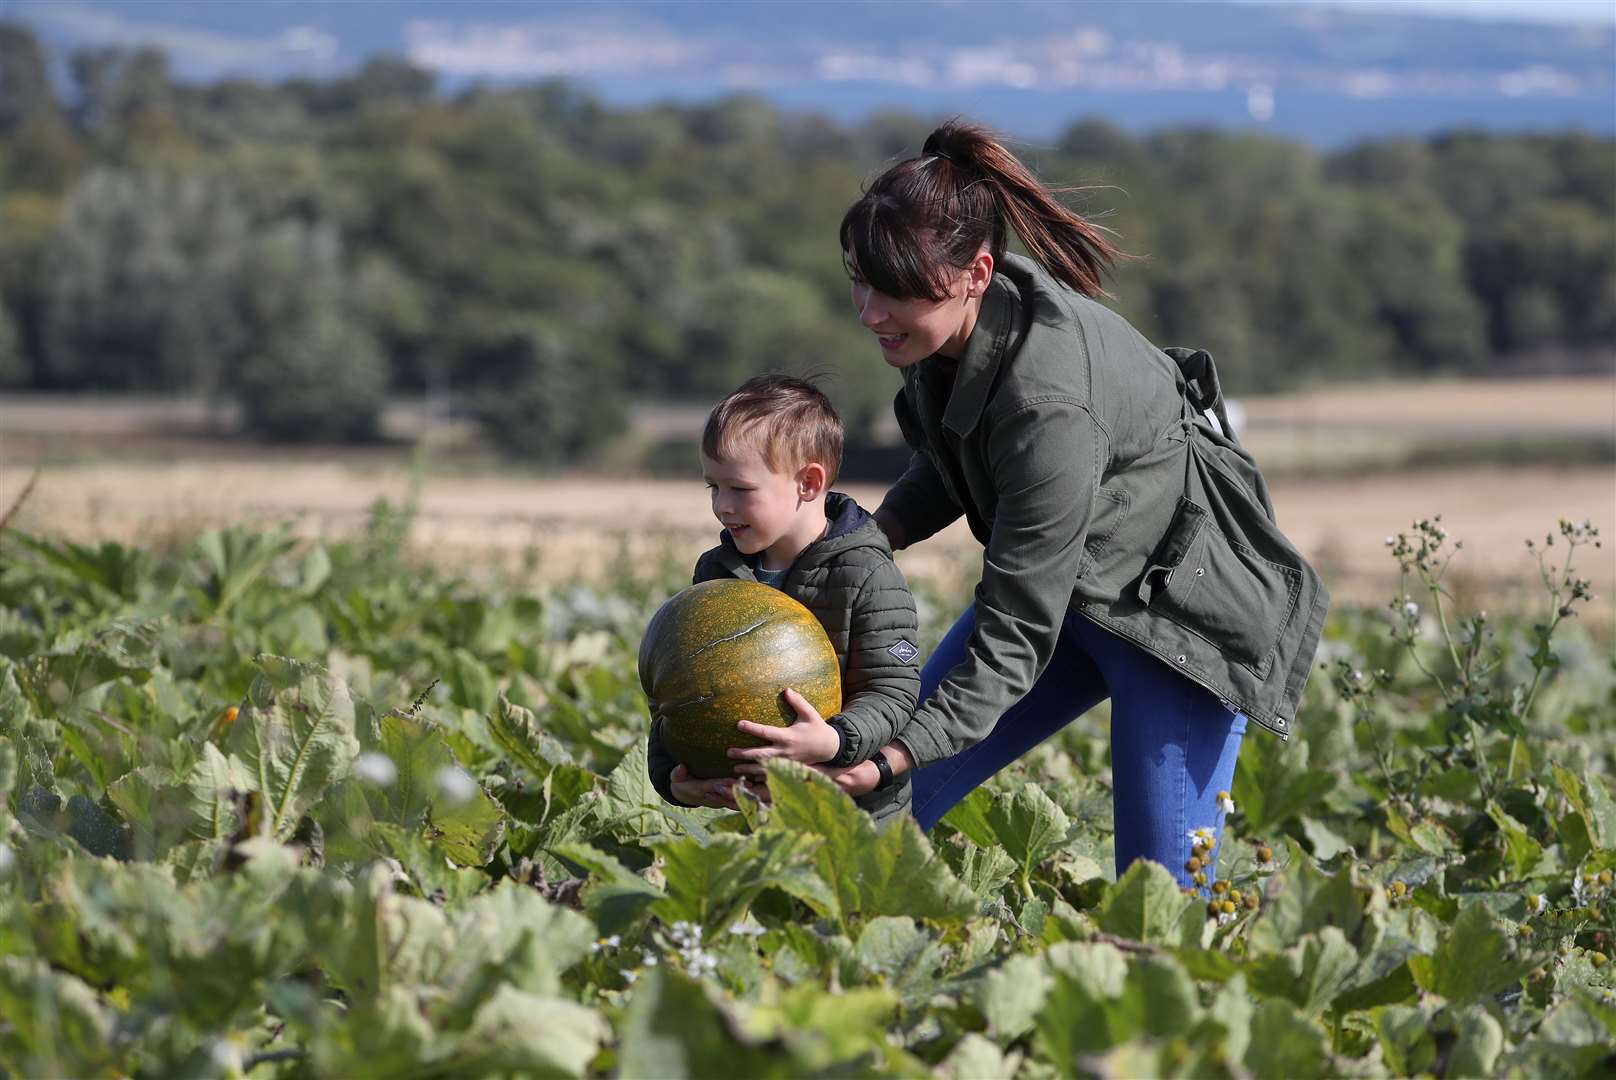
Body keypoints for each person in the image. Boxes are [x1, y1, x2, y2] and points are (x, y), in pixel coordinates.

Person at [834, 120, 1330, 885]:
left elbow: (1012, 635)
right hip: (1069, 593)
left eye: (895, 290)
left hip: (1174, 625)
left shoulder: (1048, 404)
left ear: (977, 272)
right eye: (861, 281)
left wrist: (896, 753)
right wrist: (875, 534)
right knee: (873, 818)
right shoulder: (949, 331)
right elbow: (959, 454)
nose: (870, 311)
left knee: (1156, 900)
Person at [645, 374, 923, 825]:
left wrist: (833, 741)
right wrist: (671, 776)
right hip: (753, 818)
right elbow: (677, 696)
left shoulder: (866, 573)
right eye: (713, 487)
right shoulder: (716, 573)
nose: (722, 506)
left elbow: (894, 691)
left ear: (808, 483)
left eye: (740, 489)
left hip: (855, 818)